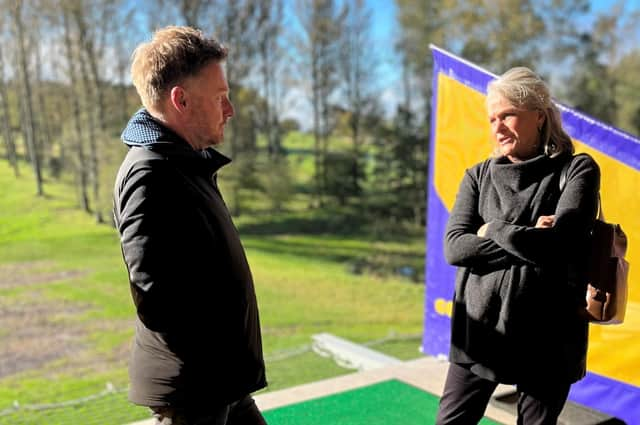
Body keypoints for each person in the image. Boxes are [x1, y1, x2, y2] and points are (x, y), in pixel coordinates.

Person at [113, 26, 267, 425]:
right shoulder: (150, 174)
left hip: (222, 384)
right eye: (220, 98)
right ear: (180, 100)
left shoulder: (185, 164)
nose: (230, 110)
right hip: (195, 395)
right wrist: (216, 353)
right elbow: (155, 299)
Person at [435, 67, 600, 425]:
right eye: (493, 118)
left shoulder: (577, 170)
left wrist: (491, 228)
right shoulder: (477, 176)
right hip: (478, 331)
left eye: (508, 114)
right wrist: (529, 234)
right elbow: (454, 248)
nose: (497, 126)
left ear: (539, 115)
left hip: (549, 339)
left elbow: (561, 243)